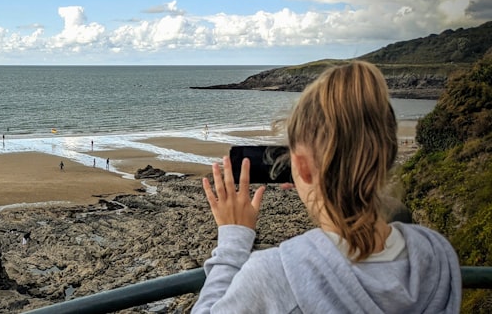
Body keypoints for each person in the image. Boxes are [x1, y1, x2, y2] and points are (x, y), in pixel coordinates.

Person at [193, 61, 461, 313]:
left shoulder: (279, 275)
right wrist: (317, 187)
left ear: (303, 167)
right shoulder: (436, 253)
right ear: (388, 155)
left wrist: (233, 240)